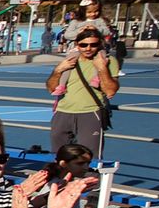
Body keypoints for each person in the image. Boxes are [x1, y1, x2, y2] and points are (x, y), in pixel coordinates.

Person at [47, 28, 118, 156]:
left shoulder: (108, 61)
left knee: (90, 158)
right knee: (58, 157)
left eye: (93, 44)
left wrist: (101, 68)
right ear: (77, 45)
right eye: (83, 45)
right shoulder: (69, 61)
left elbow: (110, 91)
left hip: (90, 113)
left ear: (100, 44)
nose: (88, 48)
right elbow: (51, 88)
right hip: (63, 113)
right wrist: (58, 70)